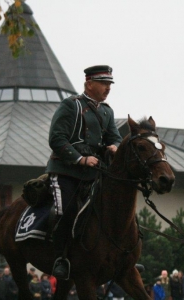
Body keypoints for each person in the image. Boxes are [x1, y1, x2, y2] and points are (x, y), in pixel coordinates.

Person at [46, 65, 122, 279]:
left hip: (94, 174)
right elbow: (56, 139)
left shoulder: (107, 111)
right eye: (103, 83)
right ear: (89, 84)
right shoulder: (70, 106)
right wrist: (81, 158)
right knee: (67, 212)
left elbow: (114, 137)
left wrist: (115, 146)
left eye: (109, 84)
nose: (108, 88)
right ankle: (60, 258)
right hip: (65, 172)